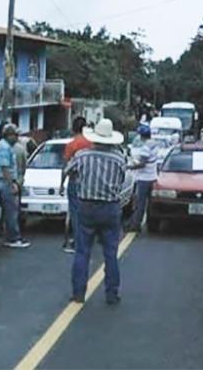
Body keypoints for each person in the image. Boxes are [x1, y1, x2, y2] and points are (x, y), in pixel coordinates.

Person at [63, 118, 126, 305]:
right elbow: (122, 180)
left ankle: (78, 293)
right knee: (110, 253)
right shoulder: (119, 158)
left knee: (82, 251)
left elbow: (68, 171)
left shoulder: (82, 155)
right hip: (110, 207)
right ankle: (112, 294)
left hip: (87, 207)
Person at [0, 123, 30, 249]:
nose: (17, 138)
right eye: (15, 135)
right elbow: (5, 168)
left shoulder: (6, 146)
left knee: (10, 210)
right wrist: (12, 184)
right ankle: (13, 237)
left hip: (5, 181)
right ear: (9, 135)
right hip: (5, 182)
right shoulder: (4, 148)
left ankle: (11, 235)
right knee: (11, 211)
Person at [60, 116, 93, 254]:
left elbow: (66, 166)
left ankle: (77, 241)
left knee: (75, 212)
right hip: (88, 182)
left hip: (74, 180)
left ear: (73, 128)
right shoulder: (90, 144)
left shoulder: (71, 145)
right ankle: (86, 238)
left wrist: (61, 184)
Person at [127, 124, 158, 232]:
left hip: (144, 178)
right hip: (152, 176)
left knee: (140, 203)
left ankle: (135, 225)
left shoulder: (146, 147)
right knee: (150, 203)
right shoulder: (154, 144)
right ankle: (150, 224)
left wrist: (130, 167)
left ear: (142, 136)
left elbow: (142, 164)